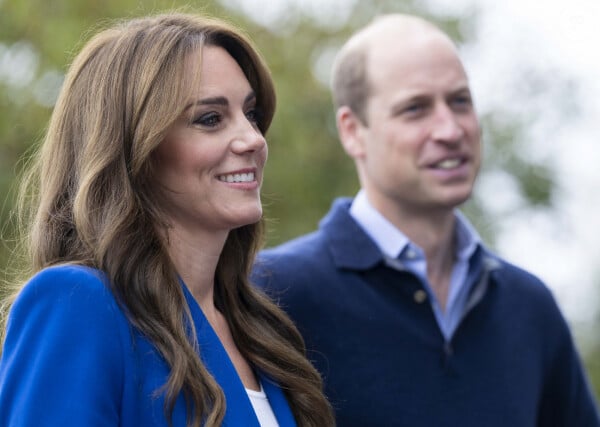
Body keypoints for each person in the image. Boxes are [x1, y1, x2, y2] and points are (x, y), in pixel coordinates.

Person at [252, 13, 600, 427]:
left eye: (460, 101)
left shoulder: (529, 306)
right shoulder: (273, 294)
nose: (450, 129)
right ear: (352, 131)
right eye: (415, 109)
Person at [0, 12, 335, 427]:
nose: (254, 139)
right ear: (134, 151)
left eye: (250, 113)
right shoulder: (78, 303)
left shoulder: (260, 330)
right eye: (210, 119)